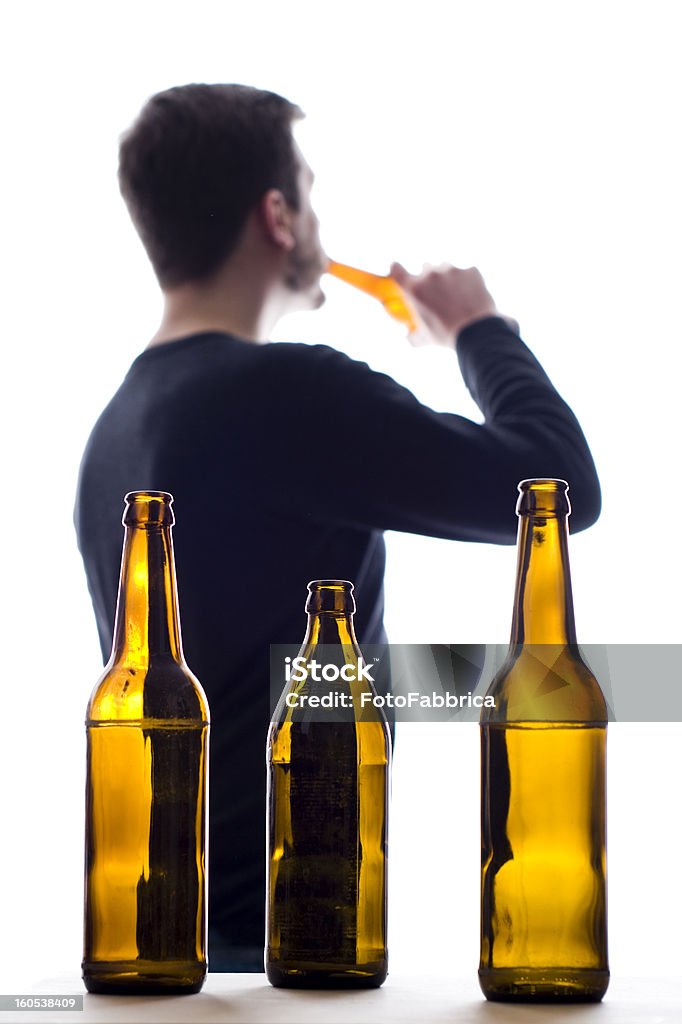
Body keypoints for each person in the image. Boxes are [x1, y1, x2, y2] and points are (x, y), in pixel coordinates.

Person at [74, 83, 601, 971]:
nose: (315, 215)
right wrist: (481, 330)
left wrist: (476, 681)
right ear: (277, 215)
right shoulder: (284, 395)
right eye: (309, 191)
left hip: (187, 952)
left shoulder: (114, 433)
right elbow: (556, 483)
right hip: (292, 955)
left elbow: (261, 677)